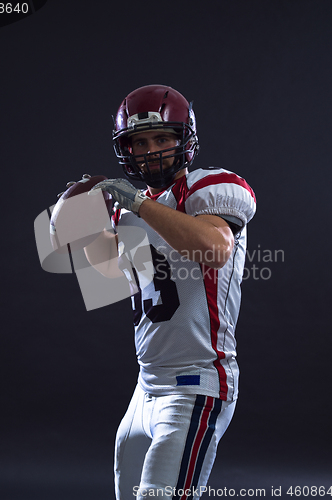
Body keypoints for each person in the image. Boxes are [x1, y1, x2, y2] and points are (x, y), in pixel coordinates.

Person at [76, 85, 256, 499]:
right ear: (127, 150)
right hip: (146, 386)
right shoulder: (128, 209)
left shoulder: (204, 187)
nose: (151, 149)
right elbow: (107, 277)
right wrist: (79, 221)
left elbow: (214, 249)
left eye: (162, 138)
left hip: (196, 382)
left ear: (184, 141)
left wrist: (135, 204)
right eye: (140, 142)